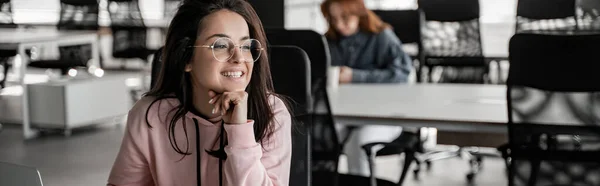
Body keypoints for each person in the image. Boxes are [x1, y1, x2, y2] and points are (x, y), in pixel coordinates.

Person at [107, 0, 292, 185]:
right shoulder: (150, 115)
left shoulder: (272, 112)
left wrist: (240, 131)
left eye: (245, 46)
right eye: (220, 45)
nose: (238, 58)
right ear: (186, 58)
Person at [321, 0, 412, 177]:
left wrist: (354, 76)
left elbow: (402, 73)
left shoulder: (381, 36)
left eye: (345, 18)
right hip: (343, 112)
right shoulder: (328, 41)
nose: (339, 25)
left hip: (382, 114)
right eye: (333, 19)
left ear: (358, 13)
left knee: (357, 144)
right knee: (320, 136)